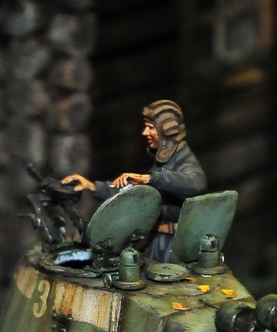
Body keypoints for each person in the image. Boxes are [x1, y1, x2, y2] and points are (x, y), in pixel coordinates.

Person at [62, 100, 207, 262]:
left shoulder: (184, 160)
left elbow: (196, 182)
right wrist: (93, 187)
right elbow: (133, 194)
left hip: (175, 246)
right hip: (156, 241)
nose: (145, 132)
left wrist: (151, 178)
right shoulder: (165, 162)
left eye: (151, 127)